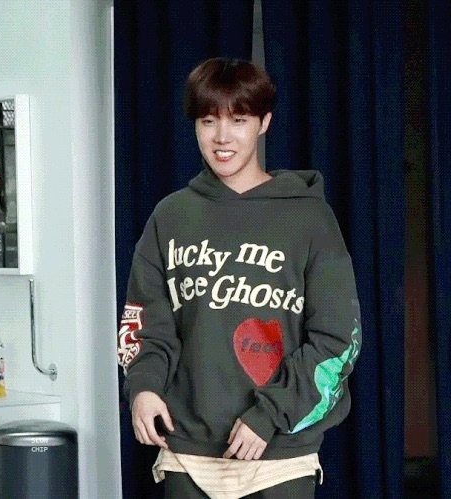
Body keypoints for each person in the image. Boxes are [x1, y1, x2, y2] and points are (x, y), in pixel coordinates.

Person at [118, 57, 362, 499]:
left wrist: (270, 414)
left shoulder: (310, 219)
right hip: (186, 450)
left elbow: (338, 341)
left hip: (281, 453)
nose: (222, 137)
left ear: (264, 123)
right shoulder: (170, 216)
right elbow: (145, 323)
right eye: (208, 121)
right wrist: (144, 389)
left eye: (239, 120)